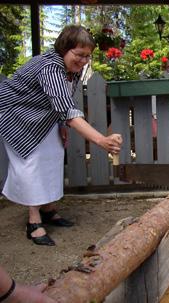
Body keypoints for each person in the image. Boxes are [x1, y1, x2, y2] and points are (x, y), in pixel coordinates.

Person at [0, 25, 122, 246]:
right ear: (64, 48)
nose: (83, 61)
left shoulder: (71, 69)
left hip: (40, 116)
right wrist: (101, 140)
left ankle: (48, 209)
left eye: (87, 56)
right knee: (31, 162)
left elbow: (61, 103)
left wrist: (60, 124)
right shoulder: (50, 67)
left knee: (53, 156)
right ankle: (33, 221)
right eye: (79, 55)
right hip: (14, 115)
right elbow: (67, 109)